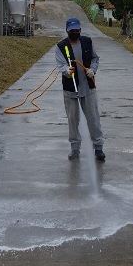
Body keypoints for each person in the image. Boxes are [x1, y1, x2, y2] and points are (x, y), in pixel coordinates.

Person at [55, 18, 105, 162]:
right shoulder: (61, 46)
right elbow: (60, 65)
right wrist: (66, 71)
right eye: (72, 31)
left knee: (93, 118)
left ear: (80, 30)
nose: (75, 33)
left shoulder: (87, 42)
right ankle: (75, 149)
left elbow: (95, 59)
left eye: (77, 30)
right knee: (73, 120)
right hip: (70, 90)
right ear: (67, 31)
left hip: (87, 87)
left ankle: (99, 148)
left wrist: (92, 70)